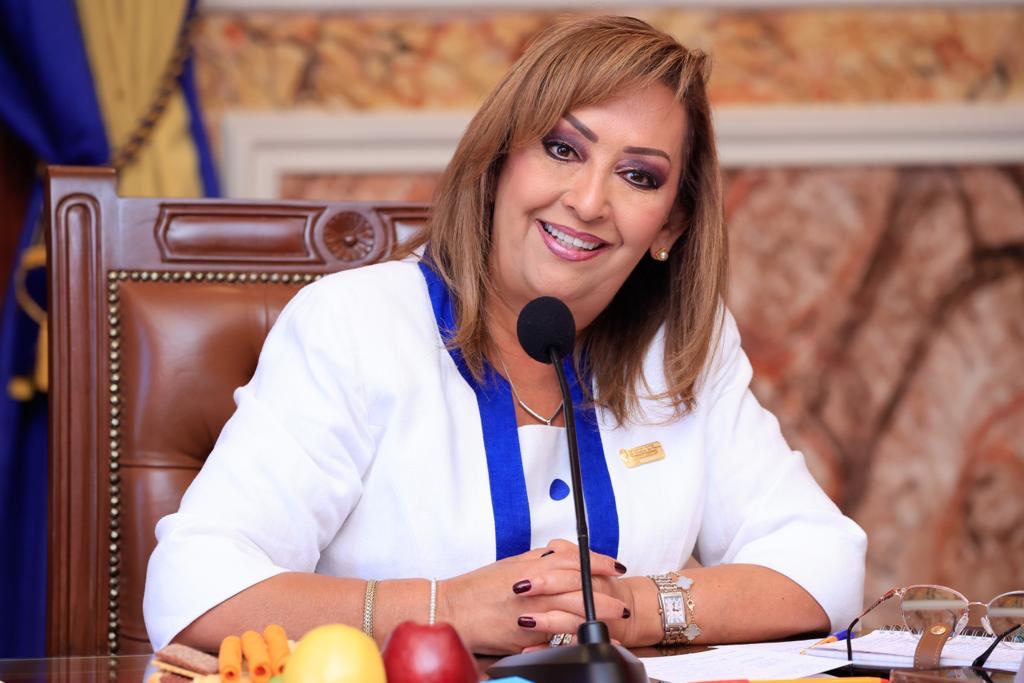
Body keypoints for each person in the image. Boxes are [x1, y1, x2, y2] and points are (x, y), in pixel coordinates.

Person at [144, 15, 866, 655]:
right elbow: (193, 586)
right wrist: (444, 610)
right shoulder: (354, 324)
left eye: (638, 176)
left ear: (669, 226)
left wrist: (632, 608)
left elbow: (825, 562)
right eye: (562, 148)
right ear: (498, 163)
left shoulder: (679, 349)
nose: (589, 201)